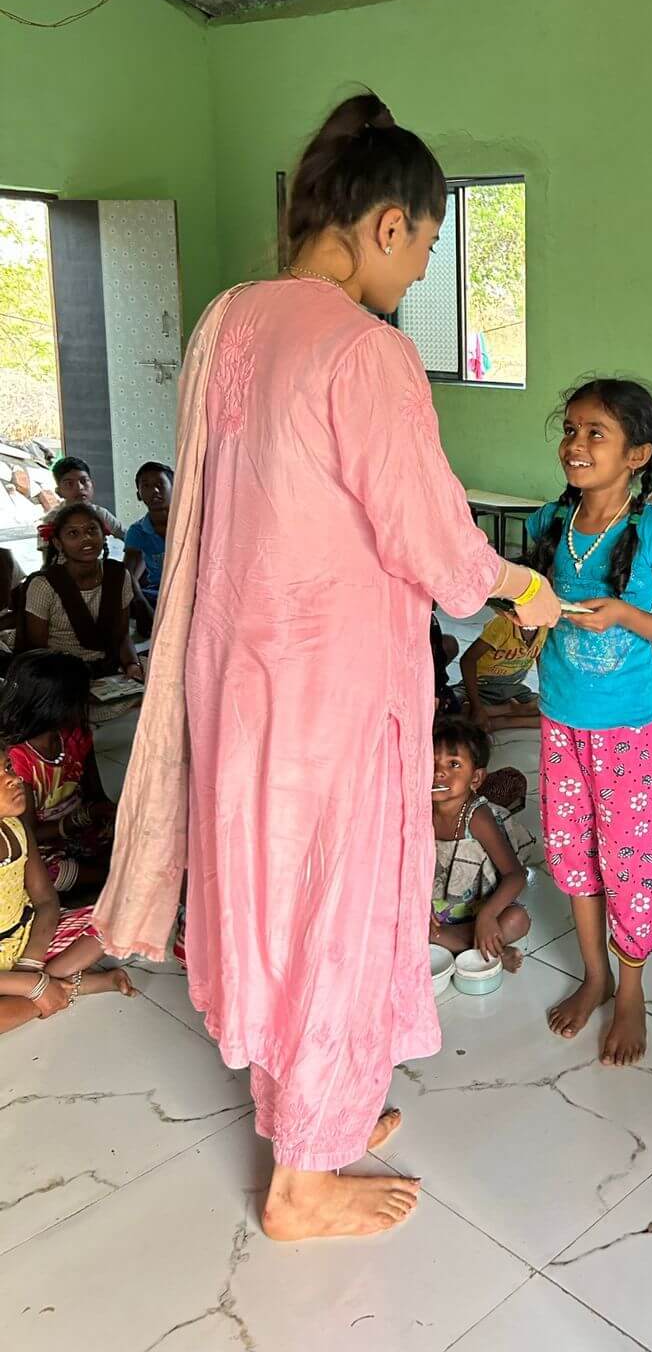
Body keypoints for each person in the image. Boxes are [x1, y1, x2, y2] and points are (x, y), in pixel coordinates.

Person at [93, 91, 561, 1244]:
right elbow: (433, 540)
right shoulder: (366, 350)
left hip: (240, 679)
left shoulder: (228, 320)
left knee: (276, 894)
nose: (422, 273)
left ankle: (313, 1110)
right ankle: (301, 1180)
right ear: (387, 224)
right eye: (428, 248)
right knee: (333, 908)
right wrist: (521, 584)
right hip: (331, 692)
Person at [528, 379, 652, 1067]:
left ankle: (631, 989)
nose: (575, 444)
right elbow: (530, 601)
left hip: (625, 727)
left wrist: (627, 614)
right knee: (570, 850)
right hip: (559, 718)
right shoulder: (550, 522)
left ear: (638, 454)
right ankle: (594, 974)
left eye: (595, 433)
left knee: (626, 860)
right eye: (570, 429)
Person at [0, 754, 133, 1036]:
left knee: (121, 914)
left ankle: (47, 990)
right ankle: (69, 987)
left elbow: (46, 900)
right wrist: (31, 984)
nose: (13, 779)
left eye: (7, 767)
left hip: (29, 938)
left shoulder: (16, 828)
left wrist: (30, 965)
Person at [0, 650, 116, 901]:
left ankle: (106, 875)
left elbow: (95, 792)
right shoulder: (18, 758)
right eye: (80, 699)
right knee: (47, 872)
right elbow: (29, 832)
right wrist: (84, 817)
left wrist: (109, 814)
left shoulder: (76, 736)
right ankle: (110, 877)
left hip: (81, 826)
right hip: (43, 841)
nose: (87, 704)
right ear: (57, 706)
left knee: (135, 833)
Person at [429, 716, 531, 972]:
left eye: (454, 764)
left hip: (480, 910)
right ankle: (488, 951)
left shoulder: (477, 817)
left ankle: (471, 943)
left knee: (517, 919)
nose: (439, 772)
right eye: (431, 762)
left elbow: (515, 875)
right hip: (435, 915)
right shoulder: (418, 812)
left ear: (475, 778)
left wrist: (487, 916)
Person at [20, 504, 144, 685]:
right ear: (58, 543)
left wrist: (133, 665)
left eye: (92, 530)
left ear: (103, 535)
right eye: (73, 533)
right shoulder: (44, 585)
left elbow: (122, 635)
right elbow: (38, 652)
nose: (86, 538)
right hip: (60, 675)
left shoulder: (118, 575)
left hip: (109, 667)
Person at [457, 601, 546, 730]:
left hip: (512, 688)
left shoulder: (545, 627)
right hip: (483, 686)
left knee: (551, 712)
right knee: (453, 708)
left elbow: (540, 660)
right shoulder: (502, 623)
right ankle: (511, 710)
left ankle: (504, 720)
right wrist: (477, 707)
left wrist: (545, 696)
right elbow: (467, 660)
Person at [124, 462, 173, 635]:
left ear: (175, 487)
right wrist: (142, 604)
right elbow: (128, 575)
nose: (155, 491)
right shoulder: (138, 531)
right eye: (146, 486)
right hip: (159, 593)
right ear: (139, 494)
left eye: (160, 484)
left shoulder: (192, 523)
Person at [43, 456, 124, 546]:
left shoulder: (101, 514)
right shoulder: (51, 520)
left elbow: (127, 537)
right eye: (69, 483)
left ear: (92, 484)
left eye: (84, 481)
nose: (79, 487)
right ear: (58, 492)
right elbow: (47, 553)